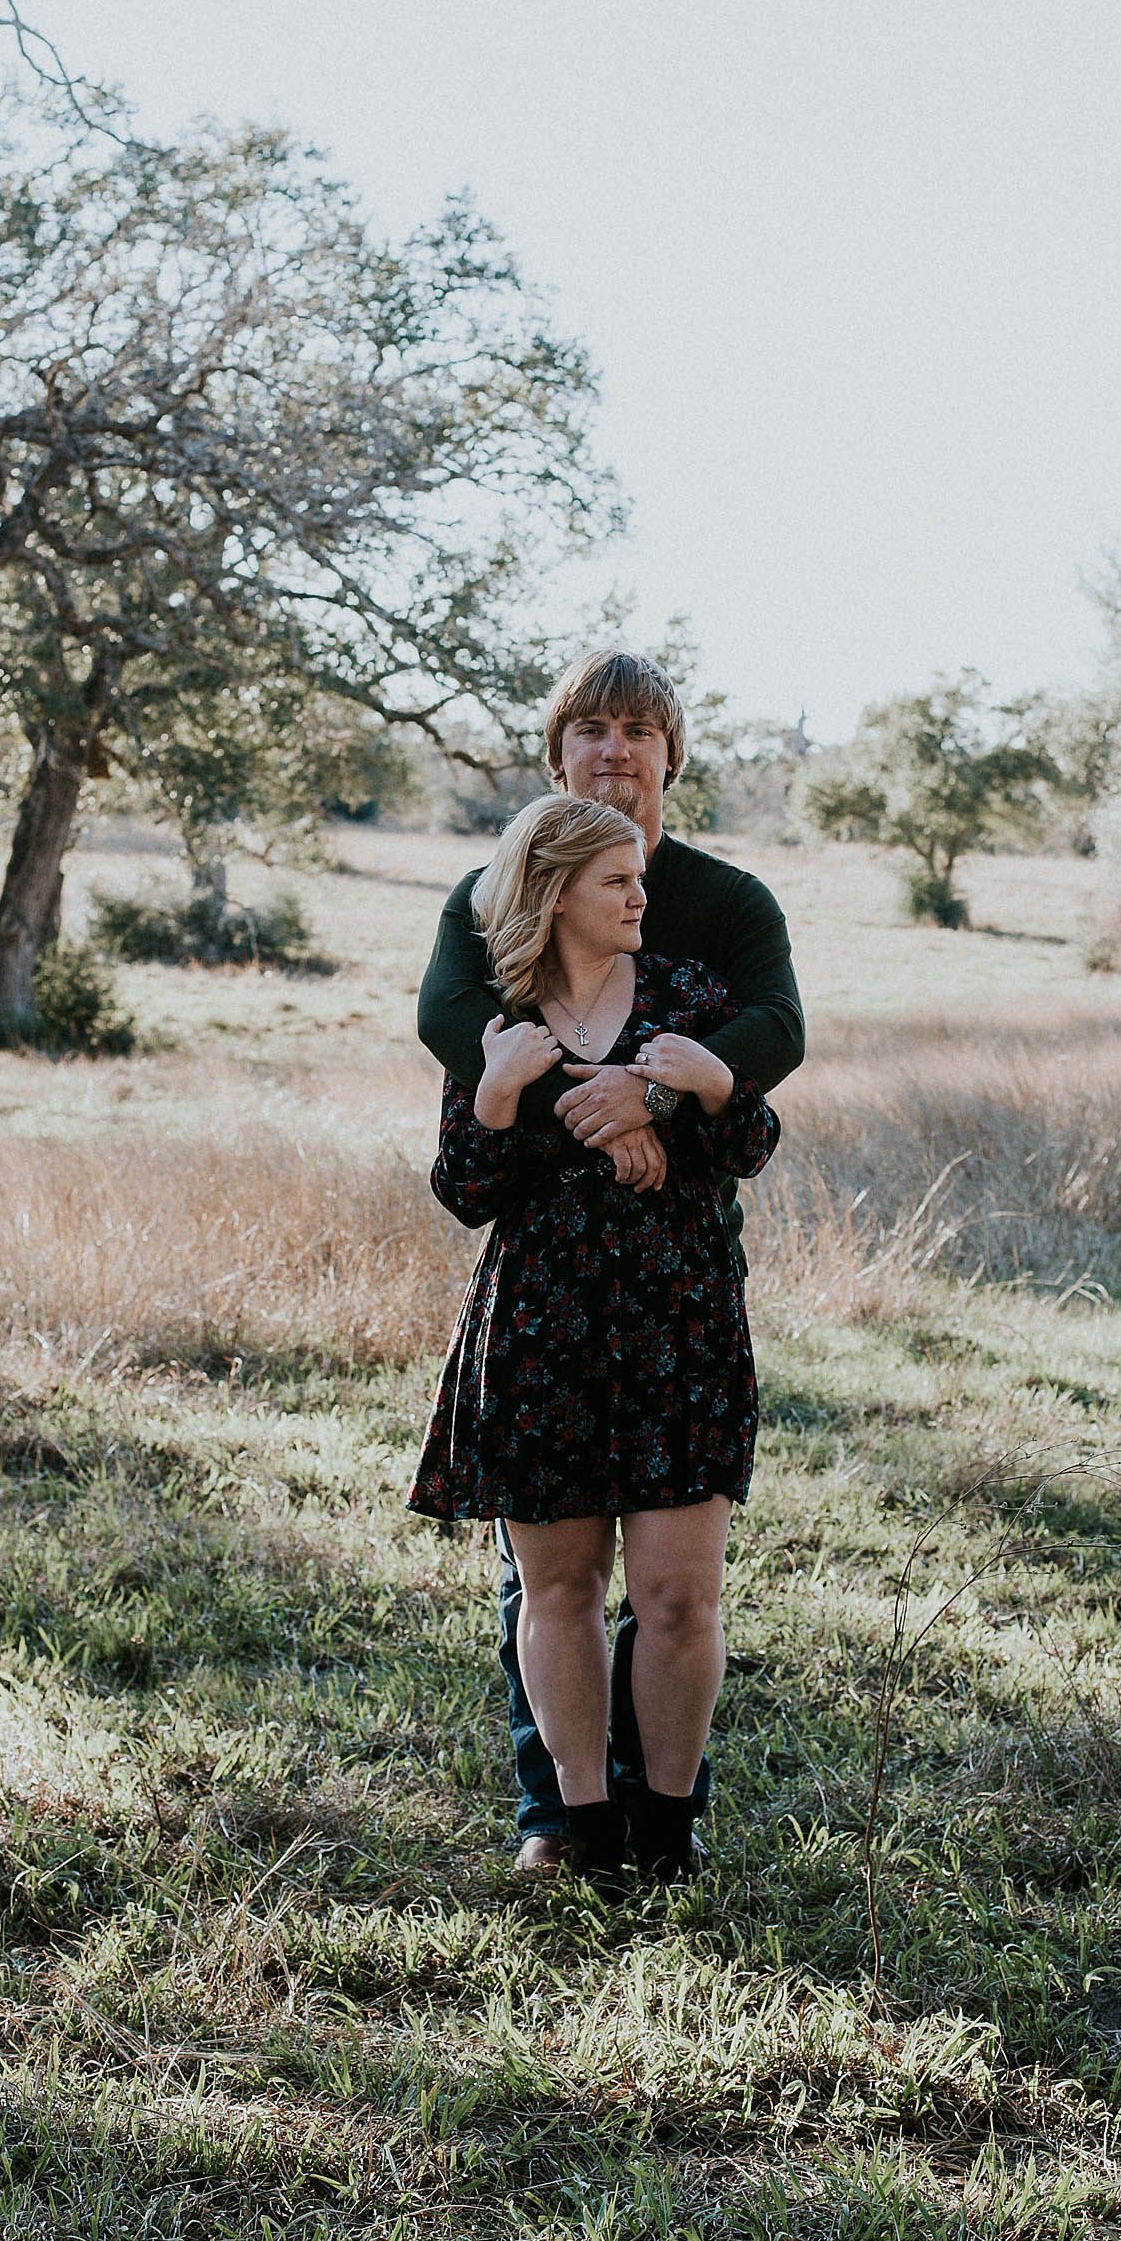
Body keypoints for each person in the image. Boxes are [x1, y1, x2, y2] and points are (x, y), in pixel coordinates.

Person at [416, 650, 806, 1870]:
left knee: (676, 1589)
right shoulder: (491, 921)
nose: (615, 747)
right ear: (557, 754)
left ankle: (663, 1818)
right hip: (544, 1314)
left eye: (639, 728)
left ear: (669, 753)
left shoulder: (718, 917)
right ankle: (565, 1816)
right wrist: (561, 1108)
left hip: (675, 1302)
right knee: (552, 1583)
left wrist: (655, 1101)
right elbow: (450, 1036)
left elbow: (769, 1044)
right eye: (591, 727)